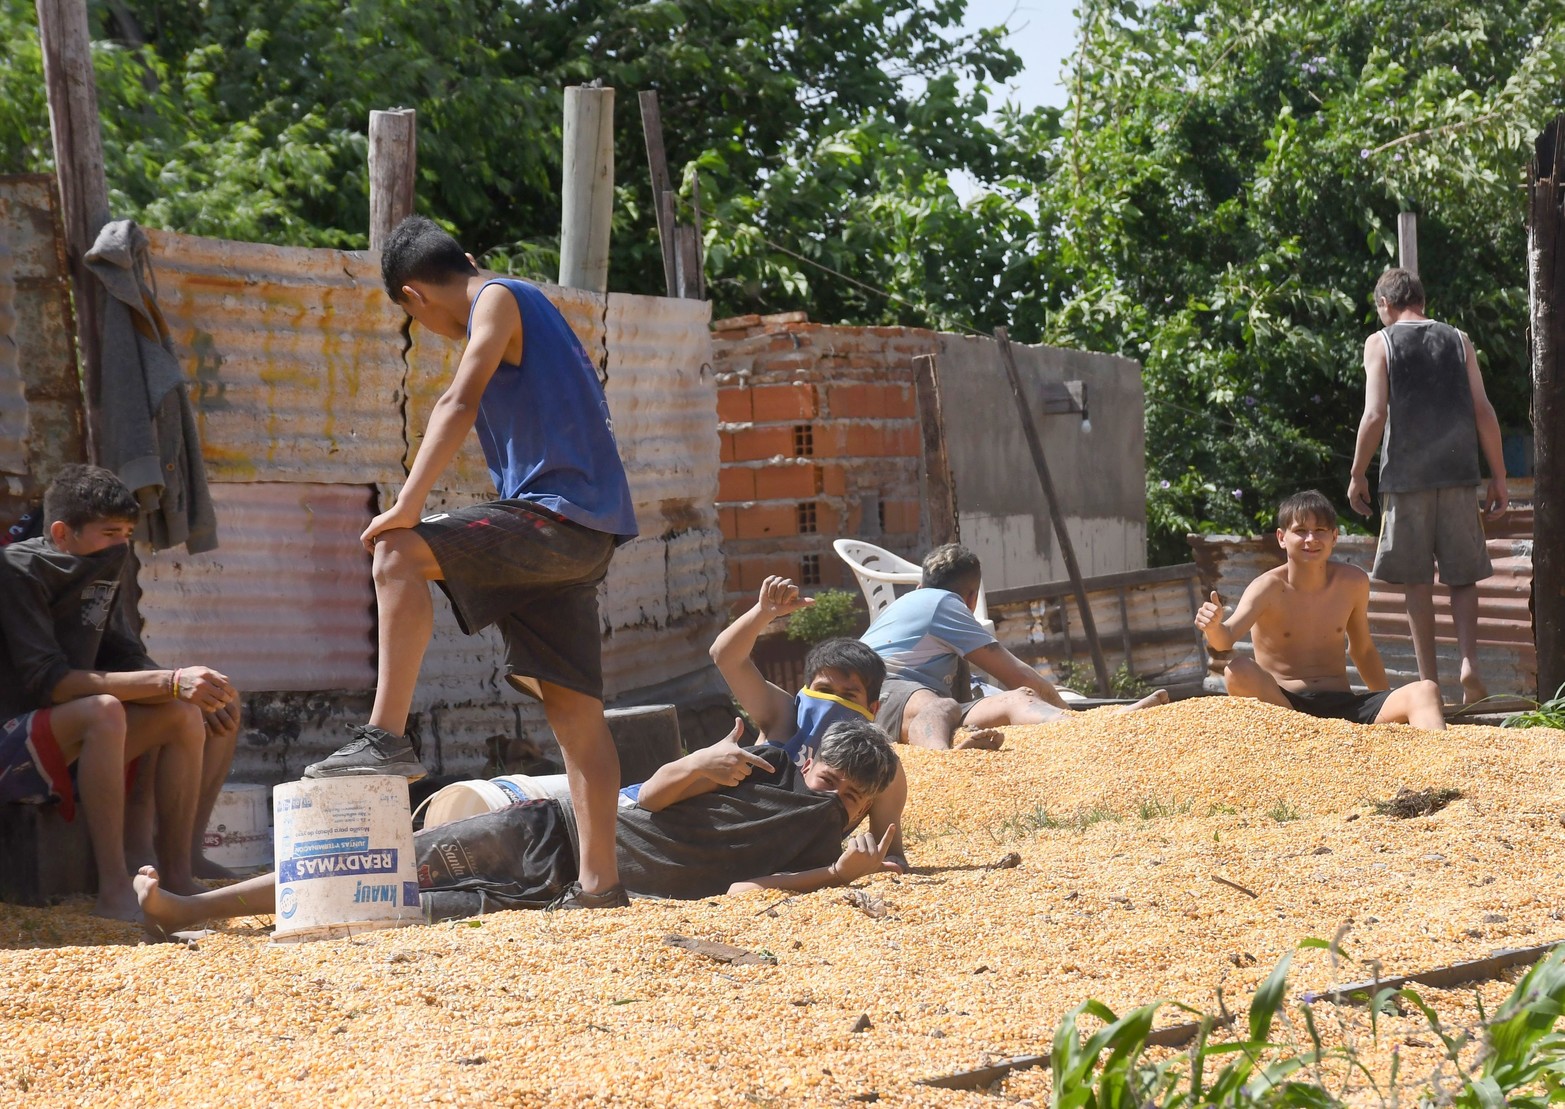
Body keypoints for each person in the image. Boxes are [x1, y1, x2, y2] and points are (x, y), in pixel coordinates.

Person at [300, 216, 639, 912]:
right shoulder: (523, 304)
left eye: (411, 317)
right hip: (586, 534)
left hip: (555, 519)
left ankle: (386, 740)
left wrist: (405, 504)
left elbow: (459, 398)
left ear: (413, 296)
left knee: (396, 551)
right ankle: (600, 885)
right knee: (576, 713)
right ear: (469, 256)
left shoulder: (498, 299)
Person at [134, 717, 903, 934]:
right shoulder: (761, 766)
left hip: (570, 896)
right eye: (829, 782)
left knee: (390, 909)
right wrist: (701, 763)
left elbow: (746, 887)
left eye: (848, 798)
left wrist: (838, 871)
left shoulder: (819, 839)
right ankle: (197, 903)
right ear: (808, 763)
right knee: (383, 866)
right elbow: (654, 797)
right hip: (554, 834)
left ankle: (210, 904)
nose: (830, 799)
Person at [0, 465, 239, 919]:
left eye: (128, 532)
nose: (121, 543)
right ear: (61, 533)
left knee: (194, 707)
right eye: (110, 532)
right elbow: (49, 681)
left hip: (68, 735)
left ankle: (179, 869)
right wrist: (167, 682)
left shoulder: (111, 563)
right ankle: (113, 889)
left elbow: (125, 653)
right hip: (13, 737)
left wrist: (182, 690)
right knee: (108, 708)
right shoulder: (16, 570)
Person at [1347, 268, 1508, 705]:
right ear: (1421, 298)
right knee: (1463, 578)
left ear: (1385, 304)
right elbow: (1483, 410)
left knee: (1417, 581)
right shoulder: (1459, 339)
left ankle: (1429, 684)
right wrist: (1498, 475)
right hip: (1459, 477)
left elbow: (1374, 414)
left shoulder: (1380, 342)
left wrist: (1358, 471)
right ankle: (1470, 665)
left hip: (1406, 479)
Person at [861, 544, 1165, 749]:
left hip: (921, 707)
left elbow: (1013, 689)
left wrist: (1033, 702)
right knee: (935, 704)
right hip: (882, 697)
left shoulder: (909, 605)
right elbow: (1018, 674)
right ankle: (944, 763)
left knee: (1018, 699)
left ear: (920, 584)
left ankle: (1088, 726)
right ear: (971, 597)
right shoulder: (943, 603)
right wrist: (1063, 702)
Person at [707, 575, 911, 870]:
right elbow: (725, 657)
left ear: (872, 708)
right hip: (726, 836)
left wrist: (874, 865)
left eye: (849, 696)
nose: (832, 704)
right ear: (806, 689)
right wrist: (763, 612)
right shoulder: (783, 715)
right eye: (824, 691)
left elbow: (890, 851)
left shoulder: (882, 770)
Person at [1195, 490, 1445, 730]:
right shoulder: (1267, 587)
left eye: (1320, 531)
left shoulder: (1353, 581)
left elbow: (1363, 649)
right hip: (1286, 707)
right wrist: (1213, 626)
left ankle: (1443, 765)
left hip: (1344, 705)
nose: (1311, 539)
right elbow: (1223, 640)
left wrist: (1384, 698)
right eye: (1301, 531)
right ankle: (1299, 732)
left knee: (1425, 691)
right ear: (1282, 538)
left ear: (1334, 537)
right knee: (1237, 670)